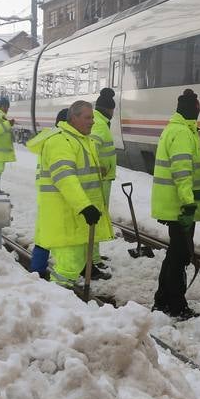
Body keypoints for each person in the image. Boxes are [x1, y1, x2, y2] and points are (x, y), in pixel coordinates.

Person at [34, 100, 115, 289]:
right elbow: (65, 177)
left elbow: (79, 171)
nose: (92, 121)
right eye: (88, 118)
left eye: (93, 117)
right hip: (65, 216)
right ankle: (57, 302)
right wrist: (84, 206)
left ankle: (61, 302)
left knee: (75, 263)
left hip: (75, 217)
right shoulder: (61, 141)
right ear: (73, 118)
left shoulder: (81, 139)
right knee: (68, 267)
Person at [151, 88, 200, 320]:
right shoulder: (183, 133)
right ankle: (175, 305)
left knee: (176, 253)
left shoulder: (175, 129)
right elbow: (182, 171)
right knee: (180, 254)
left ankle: (163, 299)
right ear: (192, 111)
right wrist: (188, 204)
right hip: (179, 207)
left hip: (173, 204)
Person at [25, 108, 69, 279]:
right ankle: (59, 278)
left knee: (43, 235)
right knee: (60, 237)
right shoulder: (60, 141)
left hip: (46, 194)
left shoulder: (49, 138)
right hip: (58, 195)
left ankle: (37, 270)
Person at [89, 88, 119, 272]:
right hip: (99, 179)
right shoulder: (99, 124)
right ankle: (92, 258)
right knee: (96, 219)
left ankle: (95, 255)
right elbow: (90, 146)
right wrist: (97, 166)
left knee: (98, 218)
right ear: (109, 109)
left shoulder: (100, 121)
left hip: (103, 179)